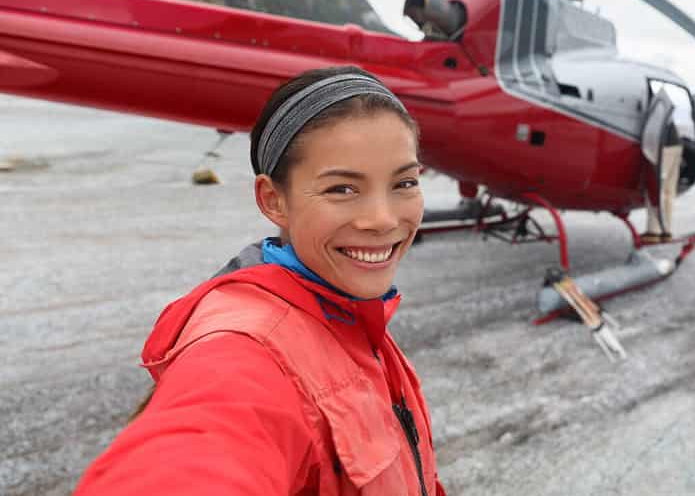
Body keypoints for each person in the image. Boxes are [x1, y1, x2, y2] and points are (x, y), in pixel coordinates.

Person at [75, 66, 445, 496]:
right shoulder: (247, 346)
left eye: (404, 182)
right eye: (342, 189)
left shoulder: (350, 308)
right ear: (274, 201)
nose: (383, 220)